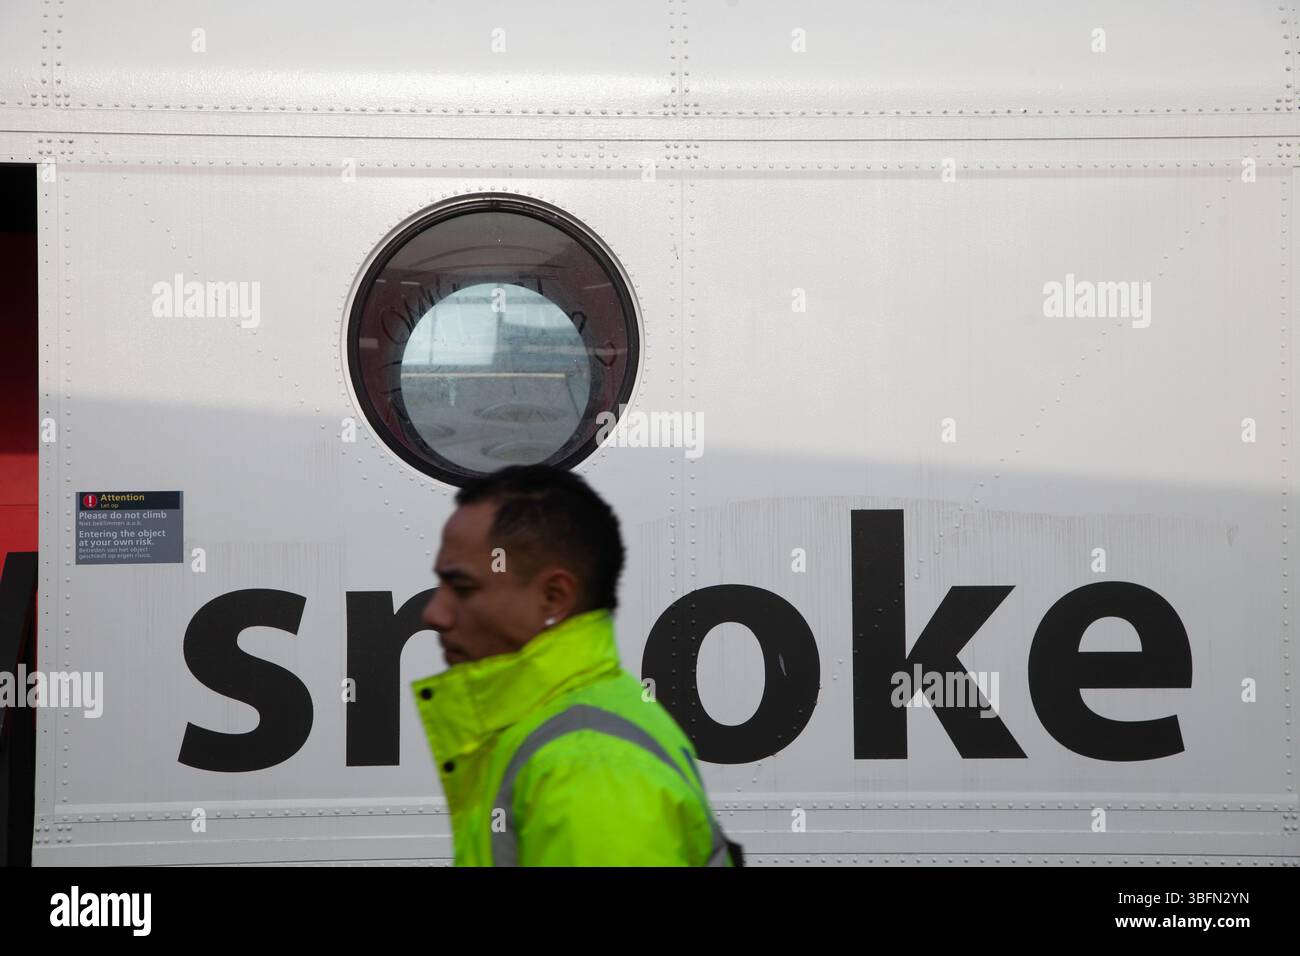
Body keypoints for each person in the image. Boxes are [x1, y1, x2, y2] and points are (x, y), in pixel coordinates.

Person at [410, 464, 739, 866]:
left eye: (462, 588)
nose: (434, 614)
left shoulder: (585, 766)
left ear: (553, 597)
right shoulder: (576, 726)